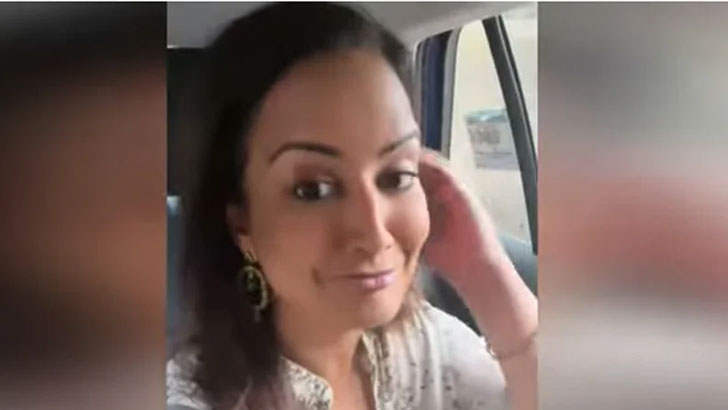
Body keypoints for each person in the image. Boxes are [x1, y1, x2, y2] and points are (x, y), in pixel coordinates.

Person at [166, 3, 537, 410]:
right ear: (243, 224)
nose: (374, 233)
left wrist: (485, 274)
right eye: (313, 190)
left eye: (396, 177)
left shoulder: (424, 345)